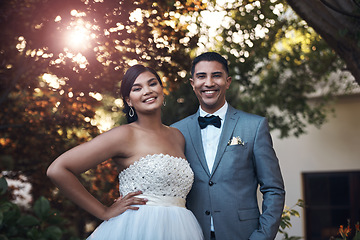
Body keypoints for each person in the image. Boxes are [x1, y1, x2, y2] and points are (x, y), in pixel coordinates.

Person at [47, 64, 204, 240]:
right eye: (137, 88)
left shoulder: (178, 136)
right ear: (128, 100)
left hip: (181, 230)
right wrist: (103, 211)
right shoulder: (123, 135)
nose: (147, 91)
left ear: (161, 89)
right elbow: (58, 169)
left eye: (152, 84)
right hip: (136, 228)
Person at [172, 52, 285, 240]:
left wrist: (262, 236)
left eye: (216, 75)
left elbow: (274, 189)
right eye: (201, 76)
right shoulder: (176, 131)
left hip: (242, 234)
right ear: (193, 84)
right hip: (191, 233)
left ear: (228, 81)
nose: (209, 83)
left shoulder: (254, 127)